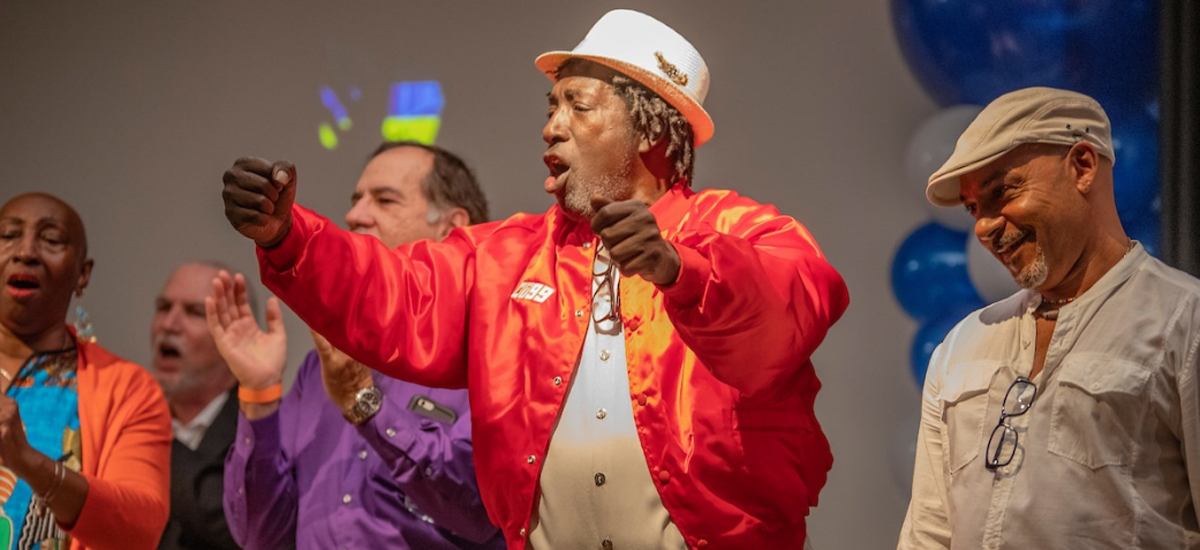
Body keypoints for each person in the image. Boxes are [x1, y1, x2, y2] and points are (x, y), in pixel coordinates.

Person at [218, 9, 848, 549]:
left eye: (578, 105)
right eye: (552, 106)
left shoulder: (742, 229)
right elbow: (397, 291)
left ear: (652, 130)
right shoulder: (508, 256)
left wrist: (681, 268)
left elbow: (791, 303)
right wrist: (288, 236)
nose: (552, 126)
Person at [898, 87, 1200, 548]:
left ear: (1083, 166)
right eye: (974, 209)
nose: (984, 227)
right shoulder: (960, 346)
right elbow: (928, 534)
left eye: (1003, 191)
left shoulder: (1184, 321)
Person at [211, 141, 503, 549]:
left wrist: (365, 405)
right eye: (356, 200)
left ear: (452, 227)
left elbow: (483, 513)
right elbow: (259, 537)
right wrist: (259, 395)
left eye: (384, 200)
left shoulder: (490, 354)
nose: (354, 215)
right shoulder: (320, 368)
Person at [0, 192, 170, 549]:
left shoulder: (127, 389)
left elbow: (140, 531)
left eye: (51, 240)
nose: (25, 252)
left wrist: (28, 462)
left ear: (83, 274)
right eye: (8, 235)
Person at [150, 261, 244, 550]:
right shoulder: (122, 418)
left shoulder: (262, 427)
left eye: (195, 312)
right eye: (164, 307)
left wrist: (148, 434)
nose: (169, 325)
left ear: (238, 336)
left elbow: (238, 531)